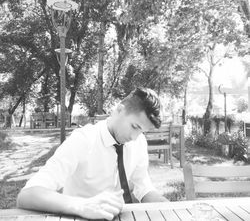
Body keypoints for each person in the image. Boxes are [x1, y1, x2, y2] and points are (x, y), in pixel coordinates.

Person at [17, 87, 168, 220]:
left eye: (142, 131)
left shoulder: (138, 141)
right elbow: (28, 195)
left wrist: (170, 208)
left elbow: (144, 187)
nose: (134, 138)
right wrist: (83, 206)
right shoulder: (83, 140)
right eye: (135, 127)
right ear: (120, 110)